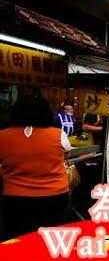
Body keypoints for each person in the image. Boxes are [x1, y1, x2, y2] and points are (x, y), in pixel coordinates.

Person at [0, 95, 70, 241]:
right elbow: (65, 156)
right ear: (46, 112)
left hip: (14, 198)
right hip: (54, 196)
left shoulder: (3, 136)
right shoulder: (58, 134)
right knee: (50, 239)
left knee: (17, 238)